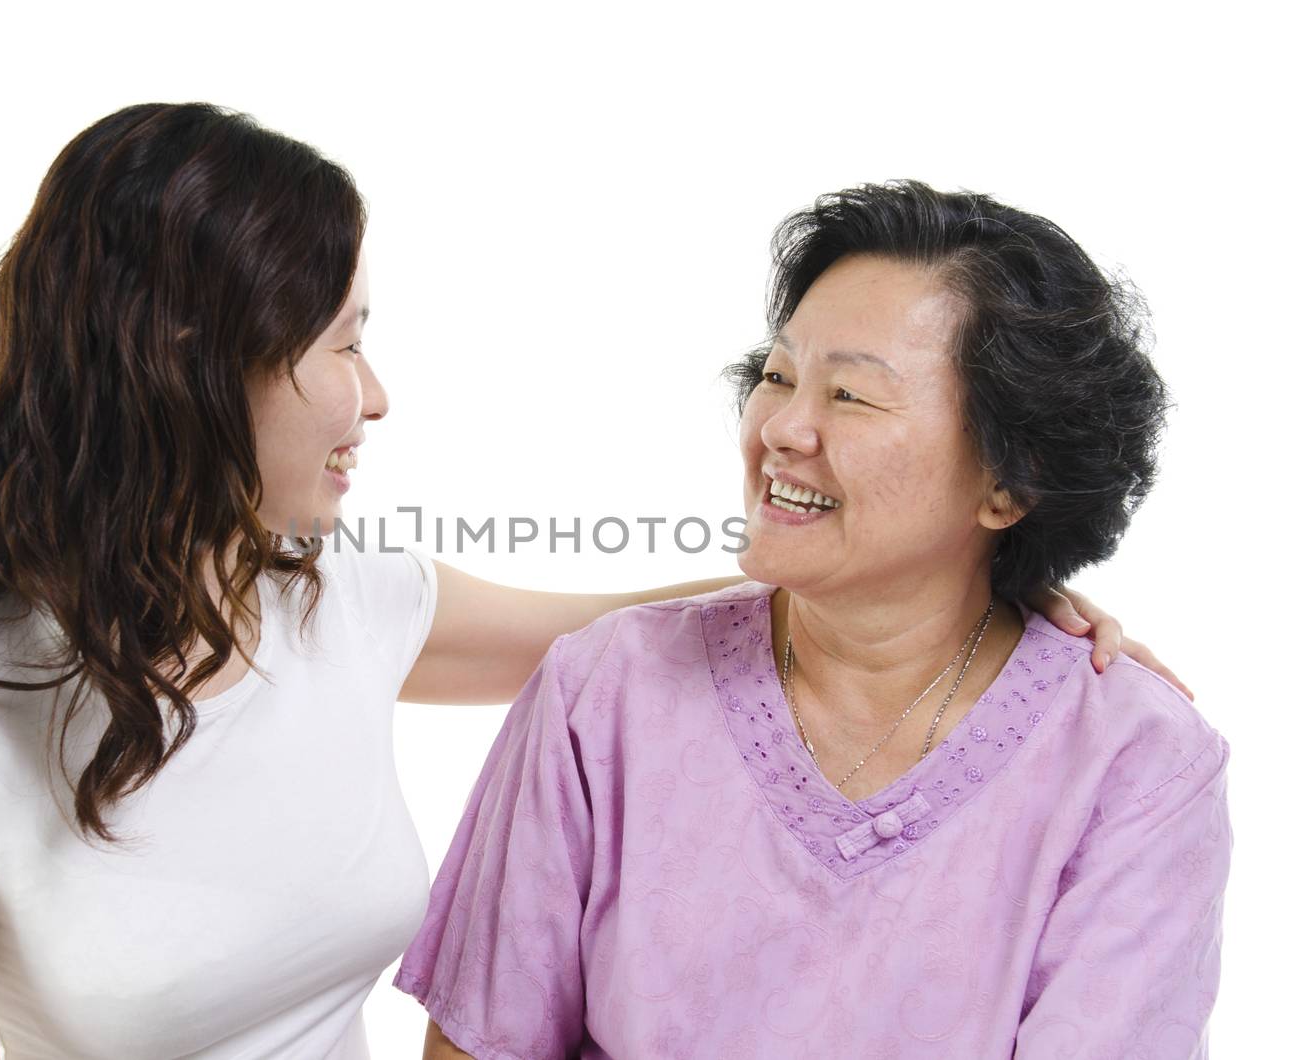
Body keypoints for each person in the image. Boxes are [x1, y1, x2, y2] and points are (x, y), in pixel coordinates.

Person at [0, 106, 1170, 1060]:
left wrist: (984, 581)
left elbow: (654, 631)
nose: (378, 396)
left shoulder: (338, 601)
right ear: (188, 362)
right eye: (341, 344)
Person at [395, 181, 1230, 1059]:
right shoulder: (602, 691)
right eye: (777, 376)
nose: (783, 429)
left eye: (851, 397)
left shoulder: (1135, 760)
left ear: (1010, 481)